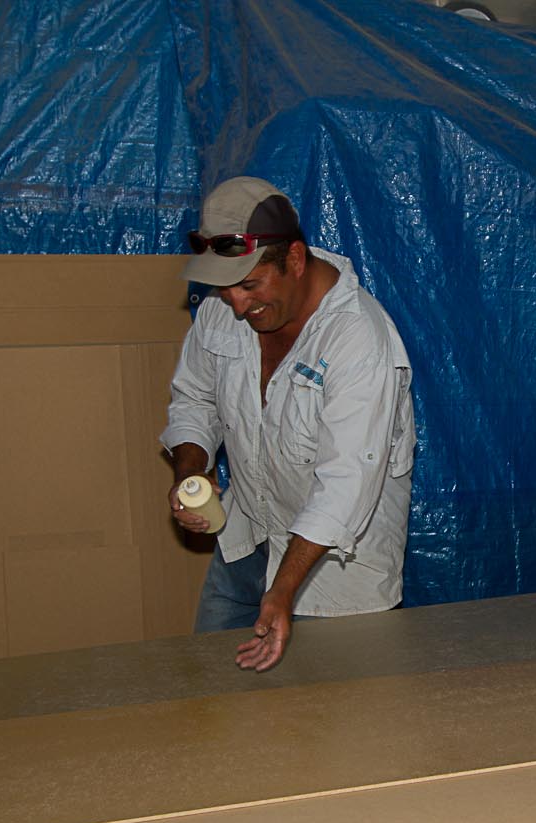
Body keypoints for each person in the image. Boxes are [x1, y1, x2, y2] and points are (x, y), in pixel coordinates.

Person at [160, 176, 415, 672]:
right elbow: (194, 399)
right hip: (248, 536)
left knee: (333, 711)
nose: (236, 304)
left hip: (332, 567)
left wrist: (282, 591)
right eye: (224, 288)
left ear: (295, 260)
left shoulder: (359, 341)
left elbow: (345, 485)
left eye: (249, 285)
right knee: (211, 692)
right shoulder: (222, 310)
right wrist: (191, 476)